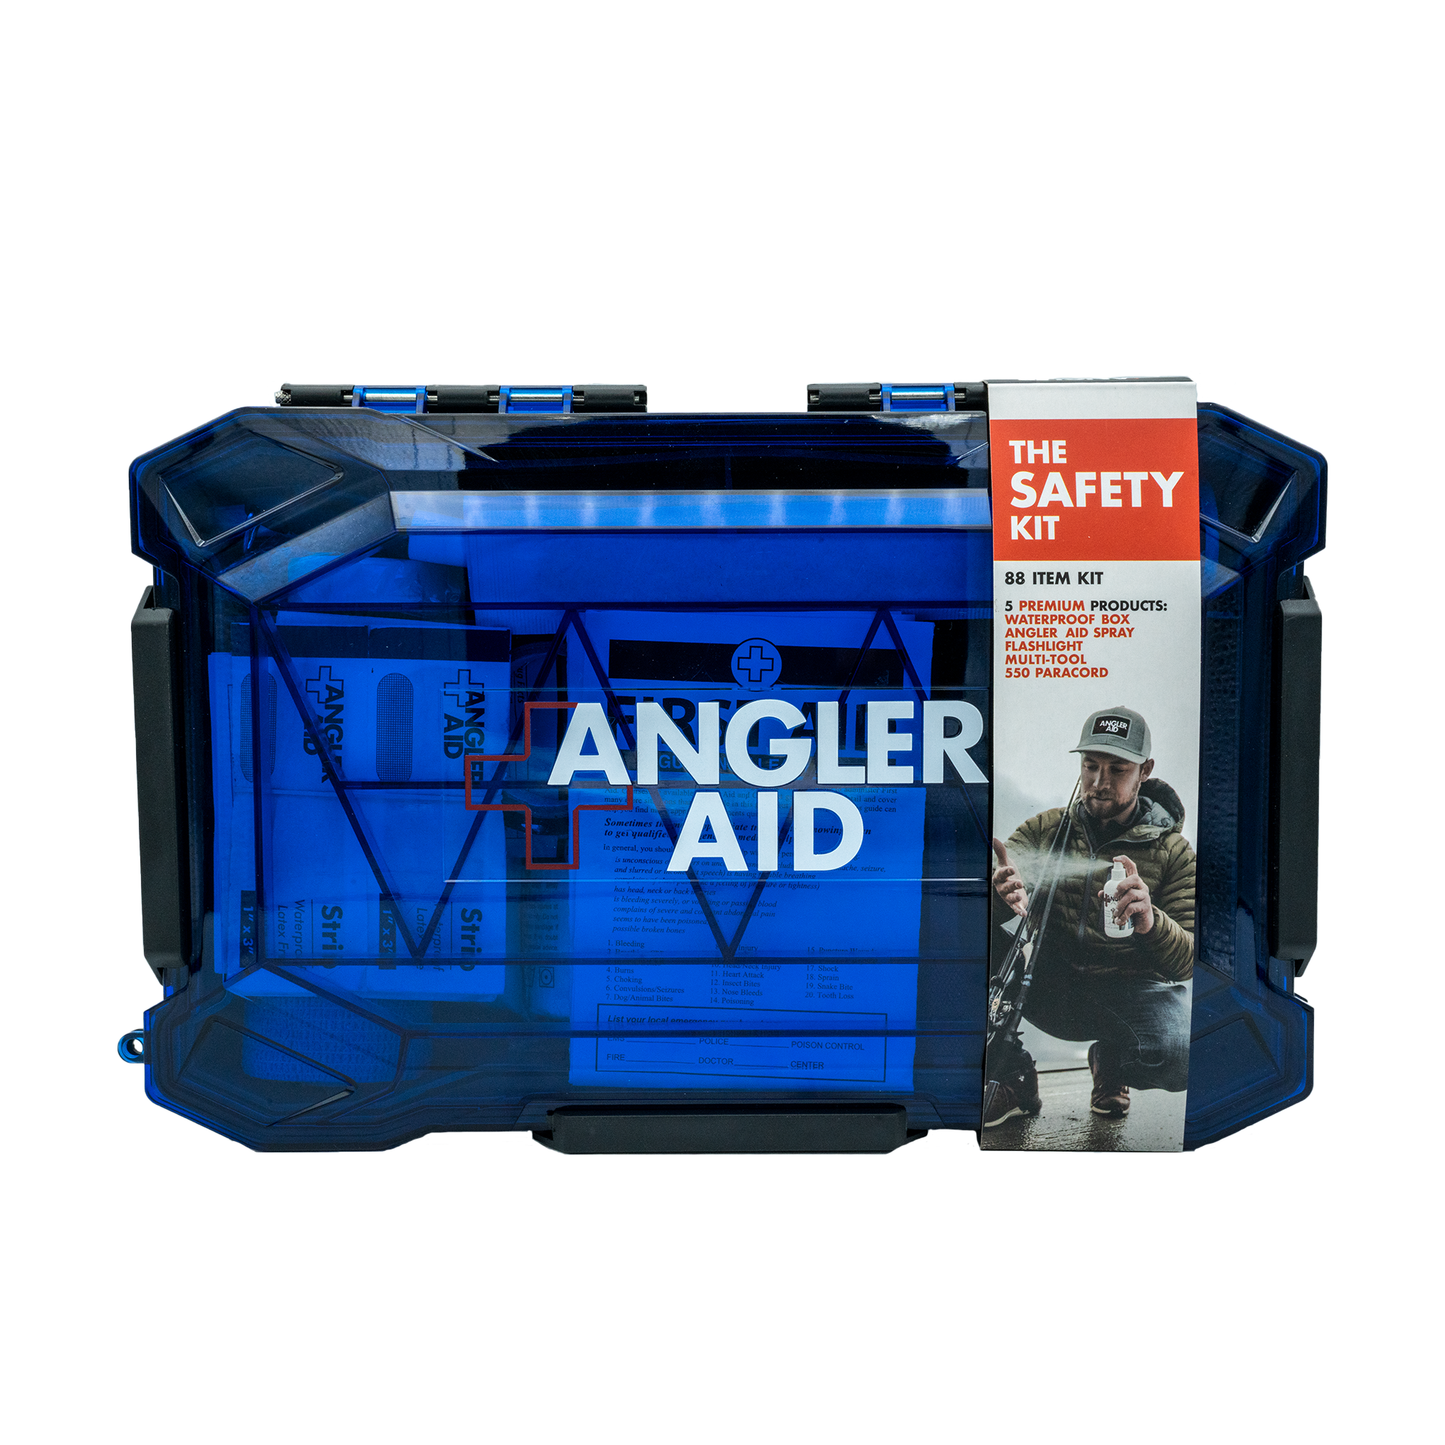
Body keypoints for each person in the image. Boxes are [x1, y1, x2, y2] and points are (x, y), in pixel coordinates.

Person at [985, 705, 1195, 1127]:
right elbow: (994, 887)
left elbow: (1189, 961)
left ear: (1145, 771)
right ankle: (1015, 1074)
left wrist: (1151, 923)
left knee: (1183, 1055)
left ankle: (1112, 1060)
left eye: (1118, 769)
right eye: (1090, 766)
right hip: (1051, 986)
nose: (1100, 782)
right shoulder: (1044, 830)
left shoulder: (1175, 852)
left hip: (1130, 996)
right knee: (952, 931)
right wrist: (996, 894)